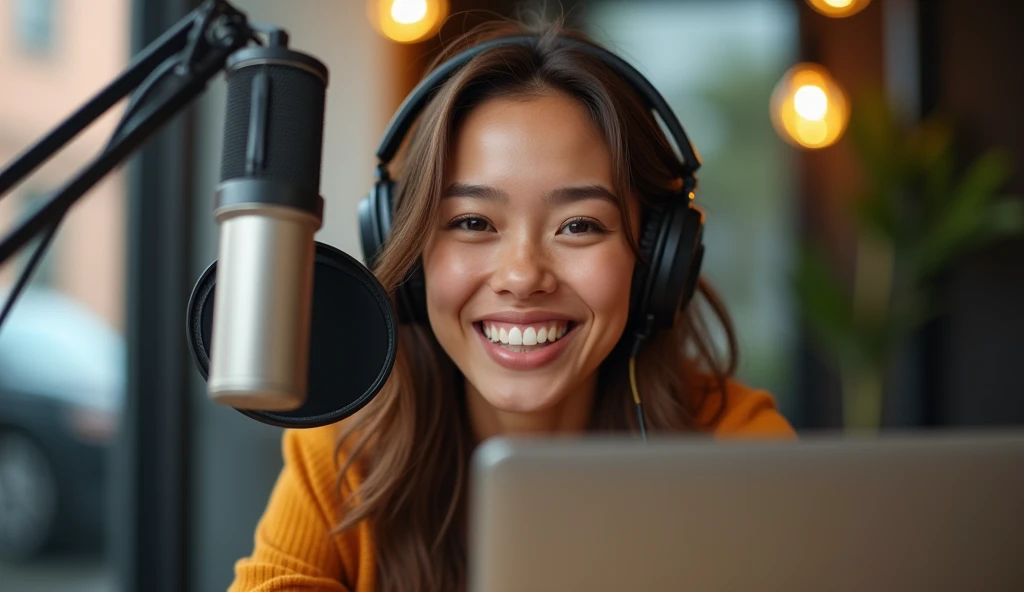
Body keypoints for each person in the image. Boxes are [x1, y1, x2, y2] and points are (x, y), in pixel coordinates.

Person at [228, 16, 795, 592]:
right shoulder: (345, 453)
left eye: (578, 225)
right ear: (409, 250)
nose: (523, 277)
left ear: (655, 258)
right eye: (472, 222)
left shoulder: (737, 450)